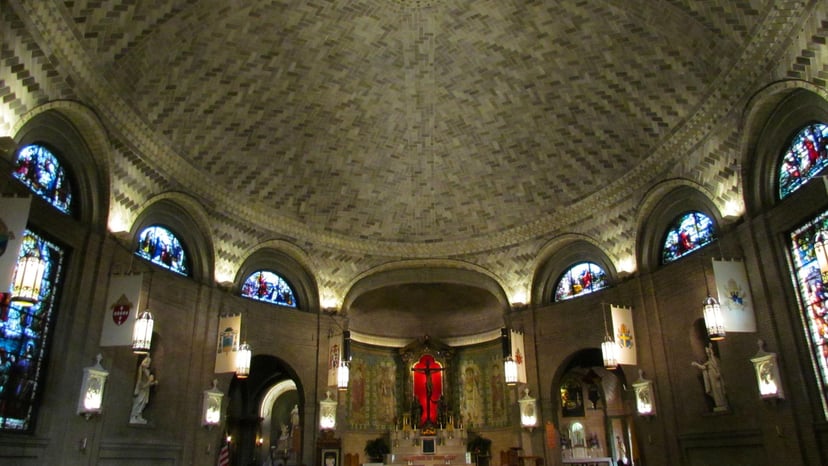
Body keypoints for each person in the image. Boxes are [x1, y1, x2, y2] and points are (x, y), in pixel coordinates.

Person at [691, 344, 727, 411]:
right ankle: (719, 404)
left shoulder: (714, 361)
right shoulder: (708, 363)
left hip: (716, 378)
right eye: (707, 353)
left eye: (709, 353)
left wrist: (717, 373)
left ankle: (723, 403)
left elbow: (718, 368)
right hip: (712, 378)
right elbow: (703, 367)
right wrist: (696, 364)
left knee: (719, 390)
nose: (708, 354)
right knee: (715, 392)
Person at [130, 355, 158, 424]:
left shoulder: (147, 371)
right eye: (147, 362)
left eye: (149, 362)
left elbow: (149, 383)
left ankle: (139, 415)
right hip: (141, 389)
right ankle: (133, 416)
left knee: (143, 403)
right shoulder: (141, 370)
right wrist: (151, 382)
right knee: (138, 402)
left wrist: (153, 382)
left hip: (145, 390)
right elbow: (141, 382)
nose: (148, 363)